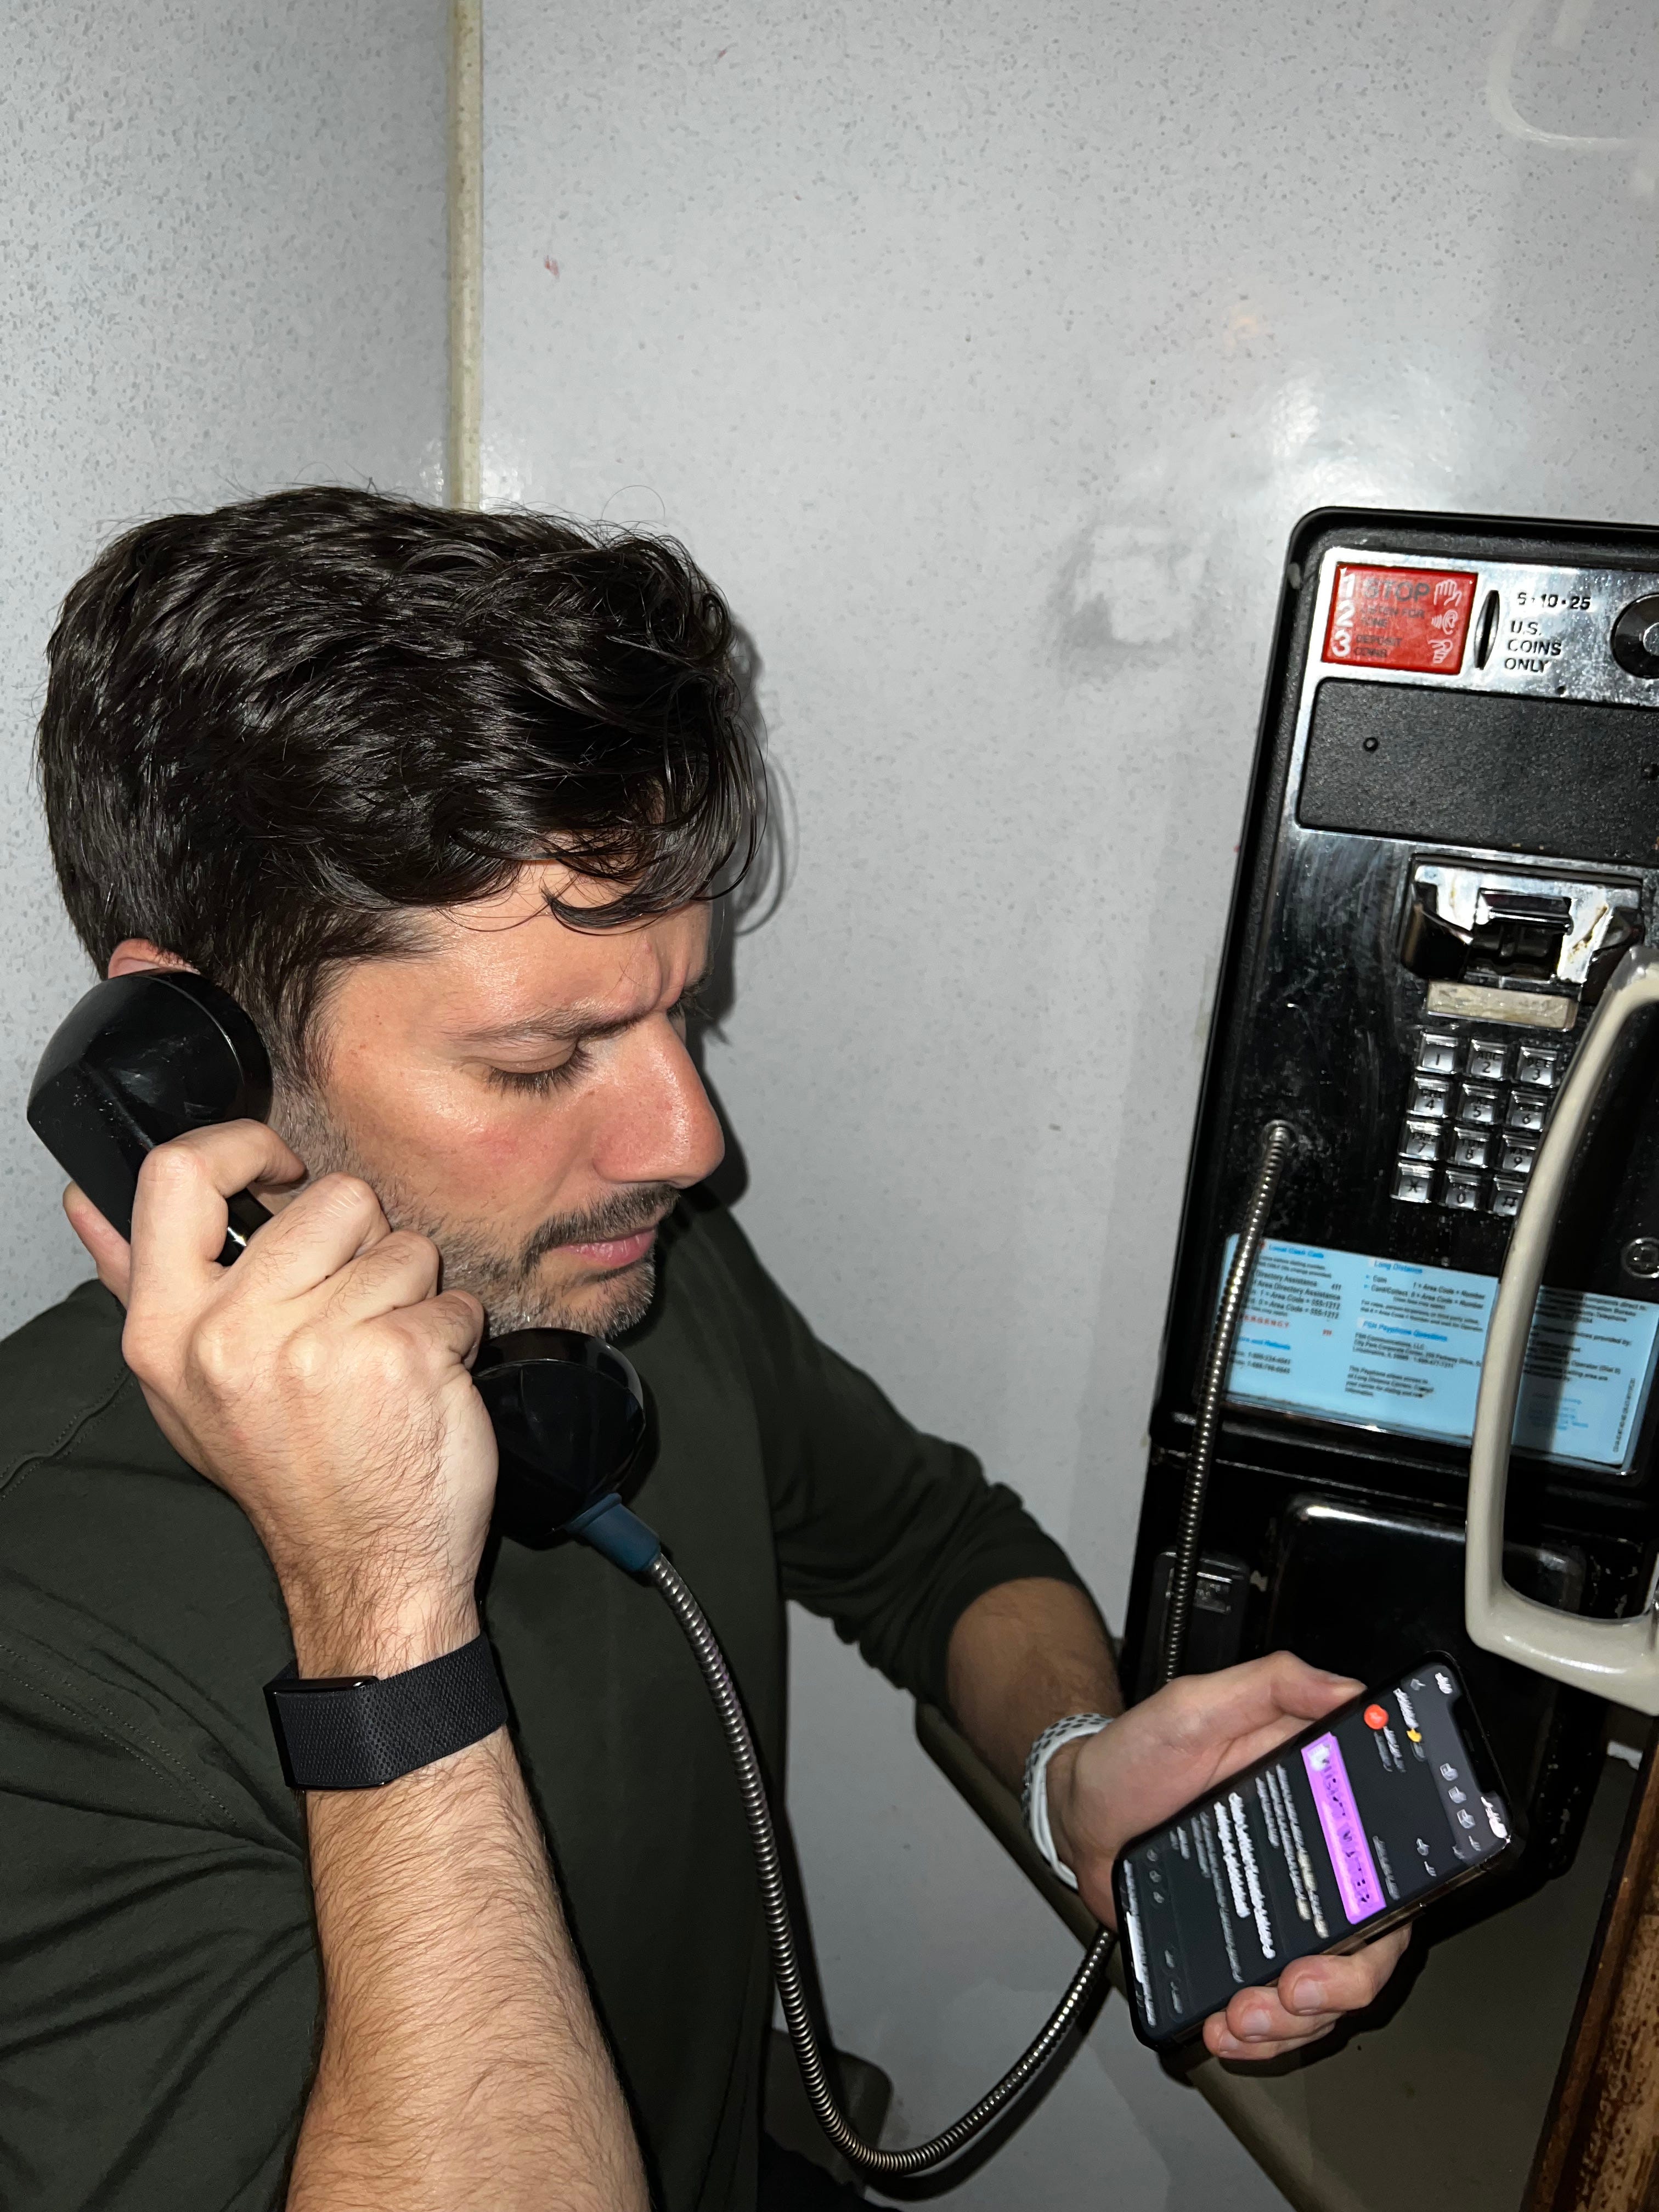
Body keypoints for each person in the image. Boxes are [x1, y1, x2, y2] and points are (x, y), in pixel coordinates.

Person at [0, 490, 1407, 2212]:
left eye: (683, 1013)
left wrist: (1079, 1777)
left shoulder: (605, 1283)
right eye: (542, 1060)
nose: (688, 1140)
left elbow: (935, 1549)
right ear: (190, 1050)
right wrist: (379, 1606)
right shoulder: (38, 1654)